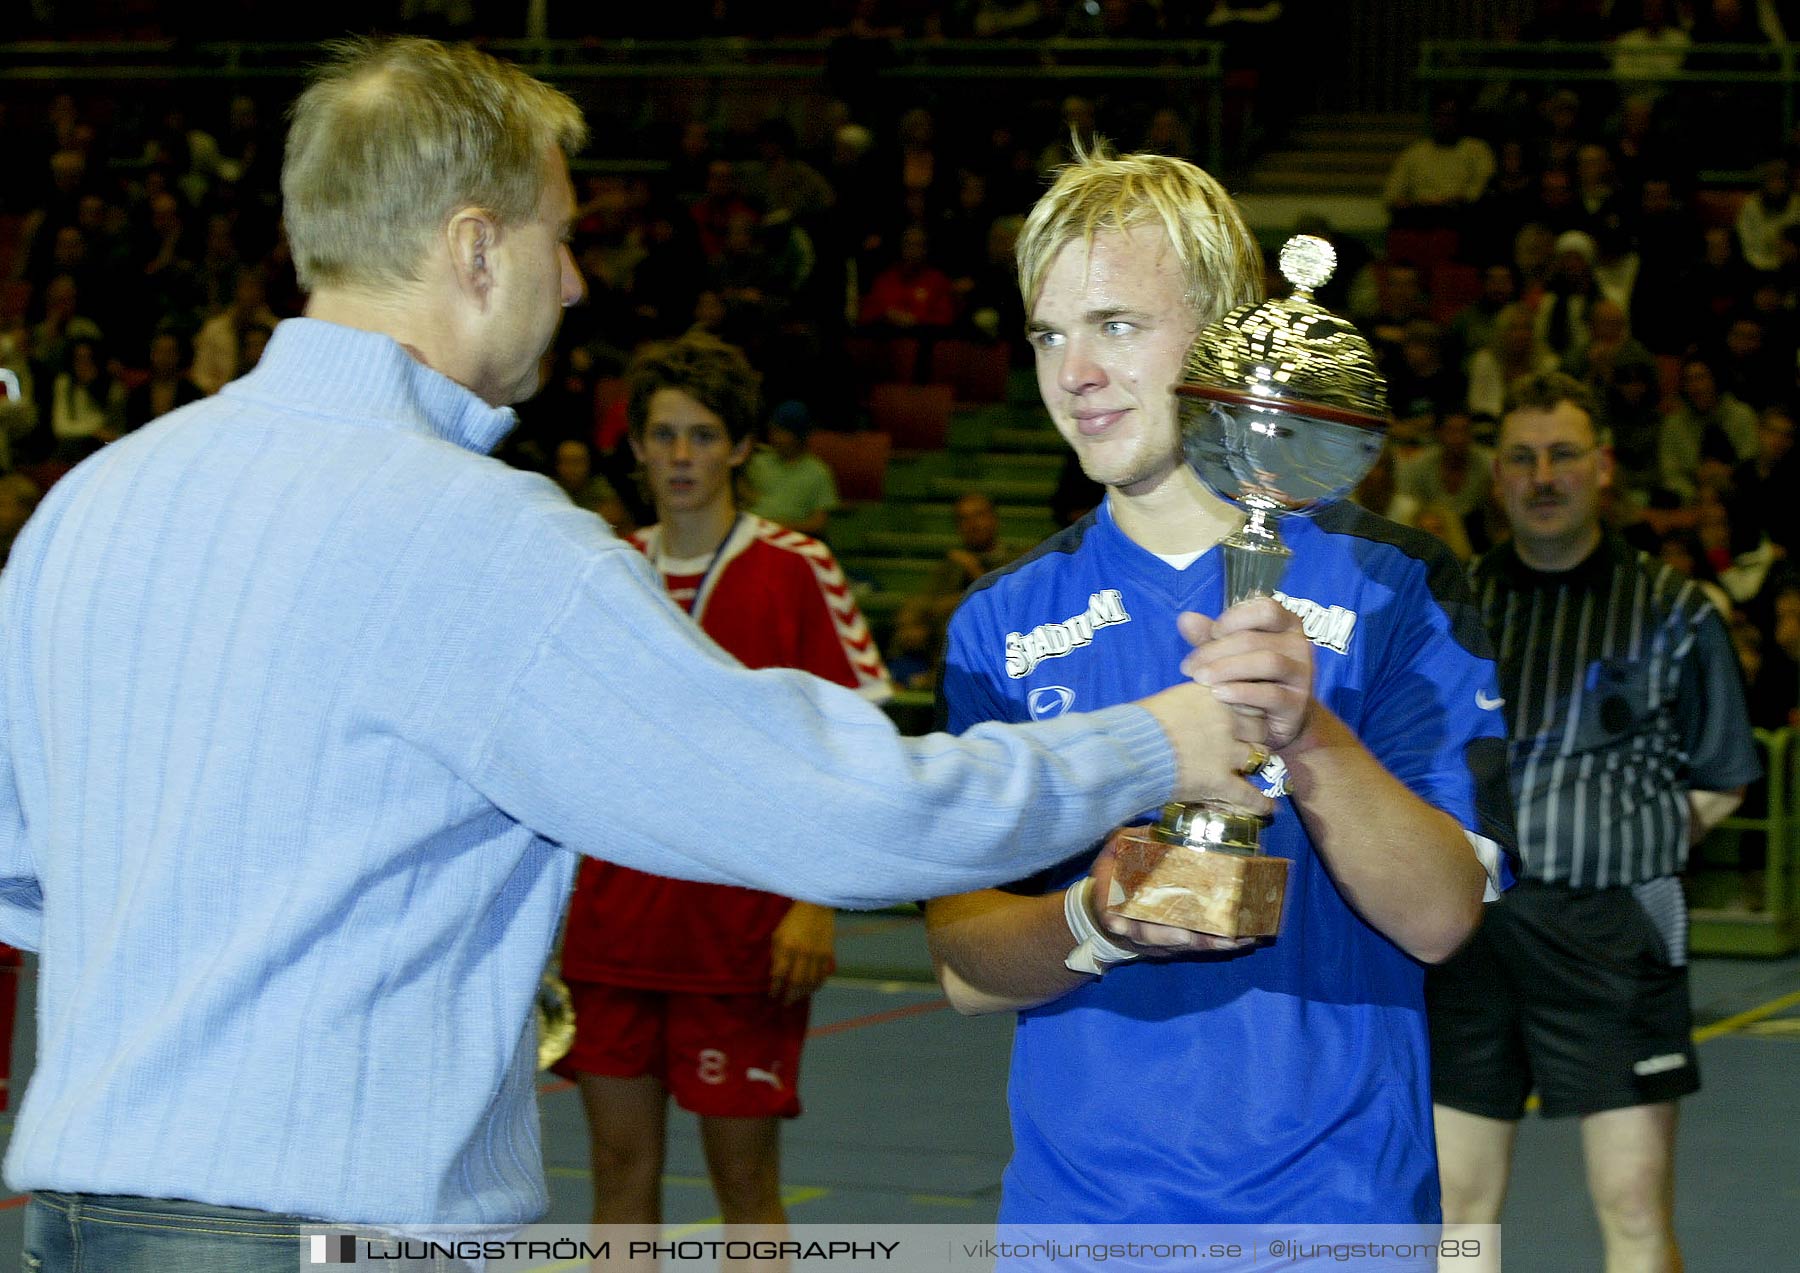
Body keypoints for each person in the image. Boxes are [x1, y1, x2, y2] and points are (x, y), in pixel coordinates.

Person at [0, 40, 1289, 1272]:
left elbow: (27, 877)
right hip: (325, 1221)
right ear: (473, 248)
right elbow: (836, 811)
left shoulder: (89, 508)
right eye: (560, 238)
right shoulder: (479, 540)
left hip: (69, 1213)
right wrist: (1155, 739)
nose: (573, 282)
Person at [923, 143, 1517, 1225]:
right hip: (1079, 1221)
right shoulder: (997, 625)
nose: (1074, 373)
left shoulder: (1396, 585)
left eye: (1116, 325)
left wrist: (1306, 732)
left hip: (1337, 1212)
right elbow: (964, 958)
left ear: (1229, 331)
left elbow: (1445, 917)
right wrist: (1096, 919)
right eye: (1050, 334)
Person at [1428, 372, 1760, 1273]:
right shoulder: (1447, 610)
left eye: (1564, 455)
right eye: (1523, 458)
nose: (1544, 476)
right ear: (1495, 476)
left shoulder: (1677, 611)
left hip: (1614, 938)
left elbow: (1724, 775)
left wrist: (1616, 841)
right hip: (1468, 933)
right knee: (1458, 1203)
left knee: (1632, 1202)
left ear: (1603, 467)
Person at [557, 333, 888, 1232]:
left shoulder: (795, 569)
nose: (679, 457)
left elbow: (857, 748)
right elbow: (564, 754)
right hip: (611, 927)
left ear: (742, 446)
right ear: (634, 448)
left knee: (746, 1194)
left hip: (742, 935)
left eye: (702, 436)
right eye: (662, 436)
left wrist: (816, 900)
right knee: (617, 1177)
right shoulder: (603, 572)